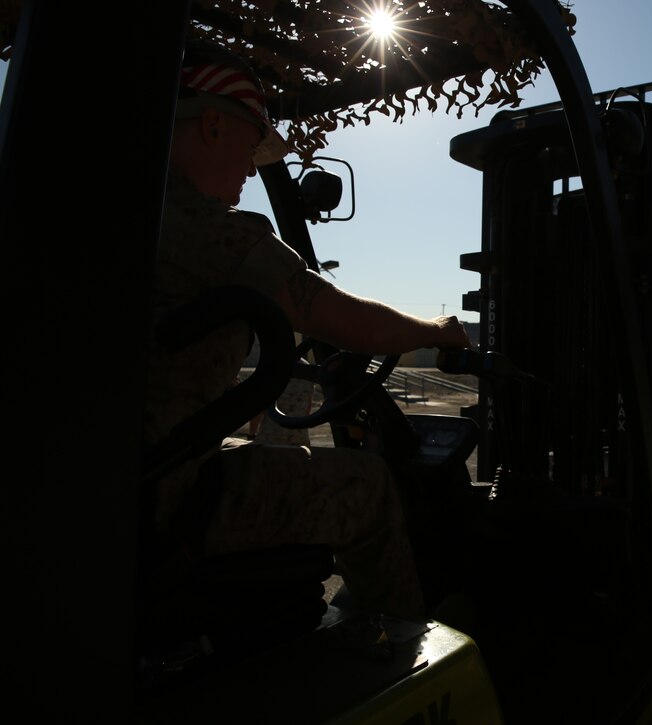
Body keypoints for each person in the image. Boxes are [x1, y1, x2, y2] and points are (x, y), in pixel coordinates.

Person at [145, 40, 470, 620]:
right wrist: (437, 328)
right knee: (366, 486)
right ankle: (403, 645)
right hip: (162, 498)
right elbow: (344, 319)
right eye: (250, 148)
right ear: (213, 125)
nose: (250, 168)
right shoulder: (209, 232)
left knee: (248, 448)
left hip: (110, 478)